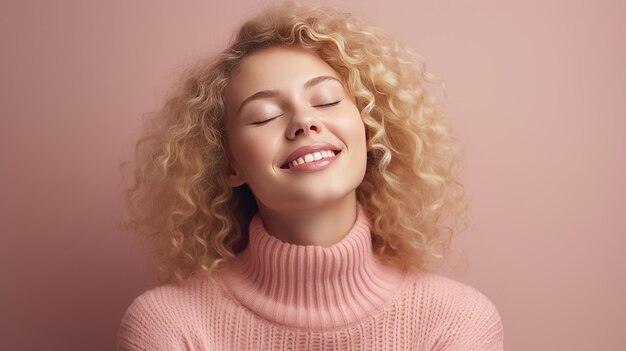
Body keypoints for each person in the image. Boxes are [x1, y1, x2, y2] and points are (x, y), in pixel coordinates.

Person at [116, 0, 504, 349]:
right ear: (230, 165)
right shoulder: (169, 326)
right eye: (265, 115)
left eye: (327, 100)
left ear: (370, 128)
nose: (304, 121)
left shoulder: (456, 321)